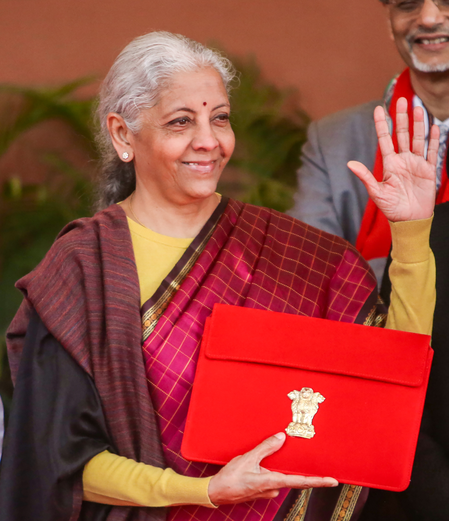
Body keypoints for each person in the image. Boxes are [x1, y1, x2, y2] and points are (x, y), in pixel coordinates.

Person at [0, 32, 437, 521]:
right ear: (123, 135)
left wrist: (411, 231)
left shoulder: (301, 255)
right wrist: (203, 490)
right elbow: (60, 460)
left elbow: (392, 384)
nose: (209, 141)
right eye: (181, 121)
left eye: (220, 118)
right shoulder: (84, 268)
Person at [289, 0, 449, 285]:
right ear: (390, 23)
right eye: (407, 4)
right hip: (373, 311)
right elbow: (307, 269)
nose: (427, 17)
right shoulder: (334, 139)